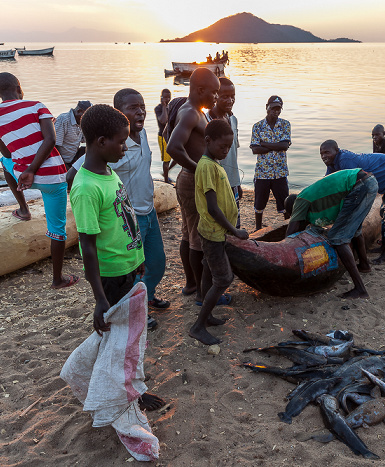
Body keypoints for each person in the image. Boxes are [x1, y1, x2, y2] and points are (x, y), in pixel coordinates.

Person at [70, 104, 163, 408]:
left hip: (129, 268)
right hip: (111, 277)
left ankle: (129, 387)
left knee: (130, 339)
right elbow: (89, 247)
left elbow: (123, 219)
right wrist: (99, 298)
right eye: (121, 141)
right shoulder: (85, 187)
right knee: (122, 344)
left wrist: (138, 258)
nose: (125, 147)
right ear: (100, 142)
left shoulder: (108, 172)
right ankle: (128, 395)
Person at [0, 72, 78, 290]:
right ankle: (58, 279)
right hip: (53, 178)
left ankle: (23, 209)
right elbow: (51, 139)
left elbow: (6, 152)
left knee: (3, 161)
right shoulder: (37, 105)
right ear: (20, 87)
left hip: (22, 176)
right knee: (57, 229)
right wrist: (33, 169)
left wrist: (27, 170)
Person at [167, 68, 225, 305]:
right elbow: (173, 147)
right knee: (198, 238)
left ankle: (192, 284)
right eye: (214, 92)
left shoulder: (196, 111)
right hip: (193, 181)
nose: (216, 97)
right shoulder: (190, 113)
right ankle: (203, 292)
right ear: (200, 90)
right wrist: (197, 168)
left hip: (189, 179)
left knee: (187, 233)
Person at [111, 88, 170, 312]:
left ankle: (148, 297)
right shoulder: (114, 143)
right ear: (118, 112)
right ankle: (135, 312)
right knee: (136, 269)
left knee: (157, 263)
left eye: (142, 107)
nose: (141, 112)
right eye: (133, 108)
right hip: (128, 217)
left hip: (149, 211)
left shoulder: (143, 134)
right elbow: (80, 171)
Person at [191, 120, 248, 345]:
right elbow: (212, 207)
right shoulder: (205, 166)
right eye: (222, 146)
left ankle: (209, 314)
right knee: (224, 277)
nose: (226, 151)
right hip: (214, 232)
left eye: (229, 147)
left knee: (208, 271)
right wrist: (234, 230)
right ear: (208, 141)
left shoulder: (214, 163)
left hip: (216, 231)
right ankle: (198, 326)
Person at [285, 169, 378, 299]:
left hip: (359, 185)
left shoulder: (300, 200)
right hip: (368, 181)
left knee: (337, 238)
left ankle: (360, 289)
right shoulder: (313, 198)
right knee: (355, 230)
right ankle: (364, 265)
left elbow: (290, 233)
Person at [320, 140, 385, 264]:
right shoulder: (332, 163)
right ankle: (383, 246)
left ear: (337, 151)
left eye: (327, 152)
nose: (324, 156)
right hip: (383, 174)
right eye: (321, 153)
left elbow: (350, 188)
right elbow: (326, 184)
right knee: (383, 212)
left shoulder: (345, 161)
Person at [250, 95, 291, 231]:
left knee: (285, 203)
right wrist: (276, 145)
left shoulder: (285, 124)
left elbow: (284, 146)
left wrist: (264, 144)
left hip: (280, 172)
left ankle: (287, 226)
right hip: (263, 172)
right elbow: (255, 149)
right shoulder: (257, 126)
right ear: (267, 107)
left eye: (278, 109)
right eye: (273, 108)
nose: (276, 111)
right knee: (259, 204)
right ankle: (257, 228)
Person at [205, 78, 242, 228]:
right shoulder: (205, 121)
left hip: (232, 182)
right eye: (224, 96)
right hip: (215, 184)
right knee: (218, 226)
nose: (230, 100)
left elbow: (234, 154)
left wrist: (237, 183)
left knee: (235, 222)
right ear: (215, 96)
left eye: (232, 96)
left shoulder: (233, 119)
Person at [54, 100, 91, 168]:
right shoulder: (63, 120)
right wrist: (63, 165)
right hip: (61, 160)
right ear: (79, 112)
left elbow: (86, 139)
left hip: (73, 158)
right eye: (87, 116)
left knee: (89, 150)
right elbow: (54, 145)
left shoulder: (82, 122)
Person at [153, 89, 177, 184]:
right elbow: (163, 120)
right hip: (163, 137)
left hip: (172, 135)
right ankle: (166, 180)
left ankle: (166, 173)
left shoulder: (171, 107)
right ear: (161, 97)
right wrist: (163, 106)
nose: (167, 99)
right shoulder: (158, 108)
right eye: (165, 97)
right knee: (166, 160)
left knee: (178, 157)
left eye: (169, 97)